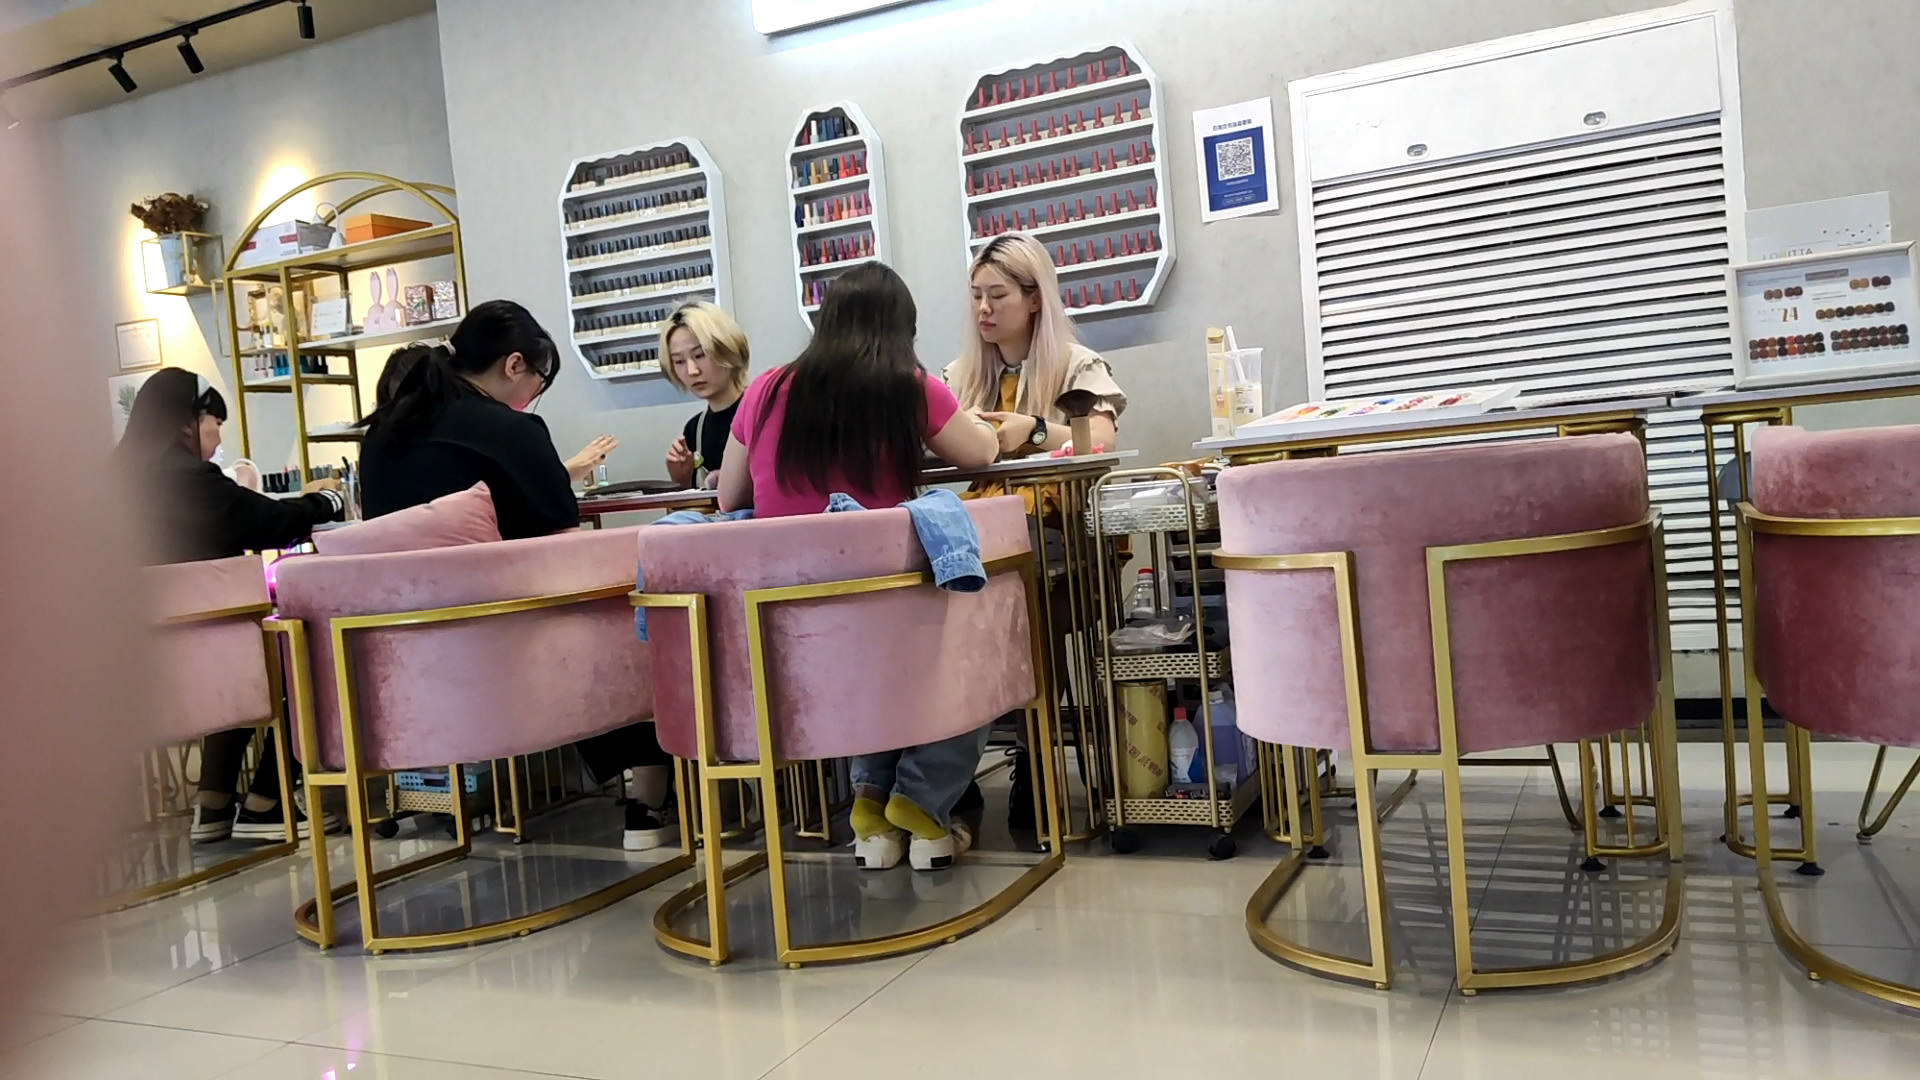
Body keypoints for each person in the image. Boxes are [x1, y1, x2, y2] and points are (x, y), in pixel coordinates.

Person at [358, 300, 675, 849]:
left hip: (397, 662)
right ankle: (648, 800)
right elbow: (561, 537)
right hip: (500, 657)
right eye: (538, 383)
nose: (533, 396)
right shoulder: (512, 429)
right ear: (514, 365)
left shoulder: (382, 436)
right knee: (631, 607)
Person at [717, 263, 1000, 871]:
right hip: (878, 610)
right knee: (975, 657)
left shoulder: (764, 389)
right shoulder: (907, 385)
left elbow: (728, 496)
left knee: (868, 669)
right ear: (903, 329)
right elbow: (981, 452)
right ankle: (921, 802)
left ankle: (871, 805)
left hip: (780, 625)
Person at [114, 366, 346, 842]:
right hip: (200, 663)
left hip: (136, 665)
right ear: (188, 421)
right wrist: (327, 501)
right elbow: (269, 522)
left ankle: (214, 800)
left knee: (234, 645)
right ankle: (267, 801)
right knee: (305, 652)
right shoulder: (188, 479)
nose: (219, 436)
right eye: (215, 422)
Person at [946, 232, 1129, 832]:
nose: (983, 309)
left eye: (997, 295)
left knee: (1021, 595)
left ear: (1033, 298)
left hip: (1062, 539)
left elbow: (1101, 442)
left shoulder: (1077, 366)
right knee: (942, 591)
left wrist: (1034, 431)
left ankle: (1034, 754)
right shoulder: (959, 376)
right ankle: (945, 769)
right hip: (988, 535)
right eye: (976, 295)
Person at [660, 301, 750, 490]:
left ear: (727, 350)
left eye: (700, 355)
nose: (692, 371)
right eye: (679, 361)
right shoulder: (694, 431)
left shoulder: (763, 414)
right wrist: (682, 481)